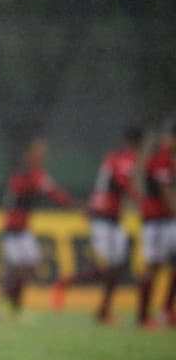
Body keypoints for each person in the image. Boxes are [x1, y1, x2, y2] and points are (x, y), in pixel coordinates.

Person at [50, 126, 143, 324]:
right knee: (113, 268)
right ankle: (68, 283)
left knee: (117, 268)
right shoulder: (125, 158)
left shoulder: (114, 157)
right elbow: (122, 183)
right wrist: (142, 203)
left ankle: (102, 310)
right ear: (139, 143)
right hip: (104, 217)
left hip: (109, 218)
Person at [0, 138, 74, 317]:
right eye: (39, 152)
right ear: (29, 154)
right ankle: (9, 304)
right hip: (15, 227)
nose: (43, 155)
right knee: (23, 268)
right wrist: (72, 205)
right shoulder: (31, 174)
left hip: (18, 226)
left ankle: (9, 302)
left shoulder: (25, 173)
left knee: (26, 266)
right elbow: (52, 191)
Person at [137, 125, 176, 329]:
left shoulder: (165, 156)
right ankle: (145, 316)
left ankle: (165, 312)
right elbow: (164, 189)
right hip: (157, 219)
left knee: (162, 265)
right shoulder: (162, 157)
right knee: (153, 266)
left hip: (163, 220)